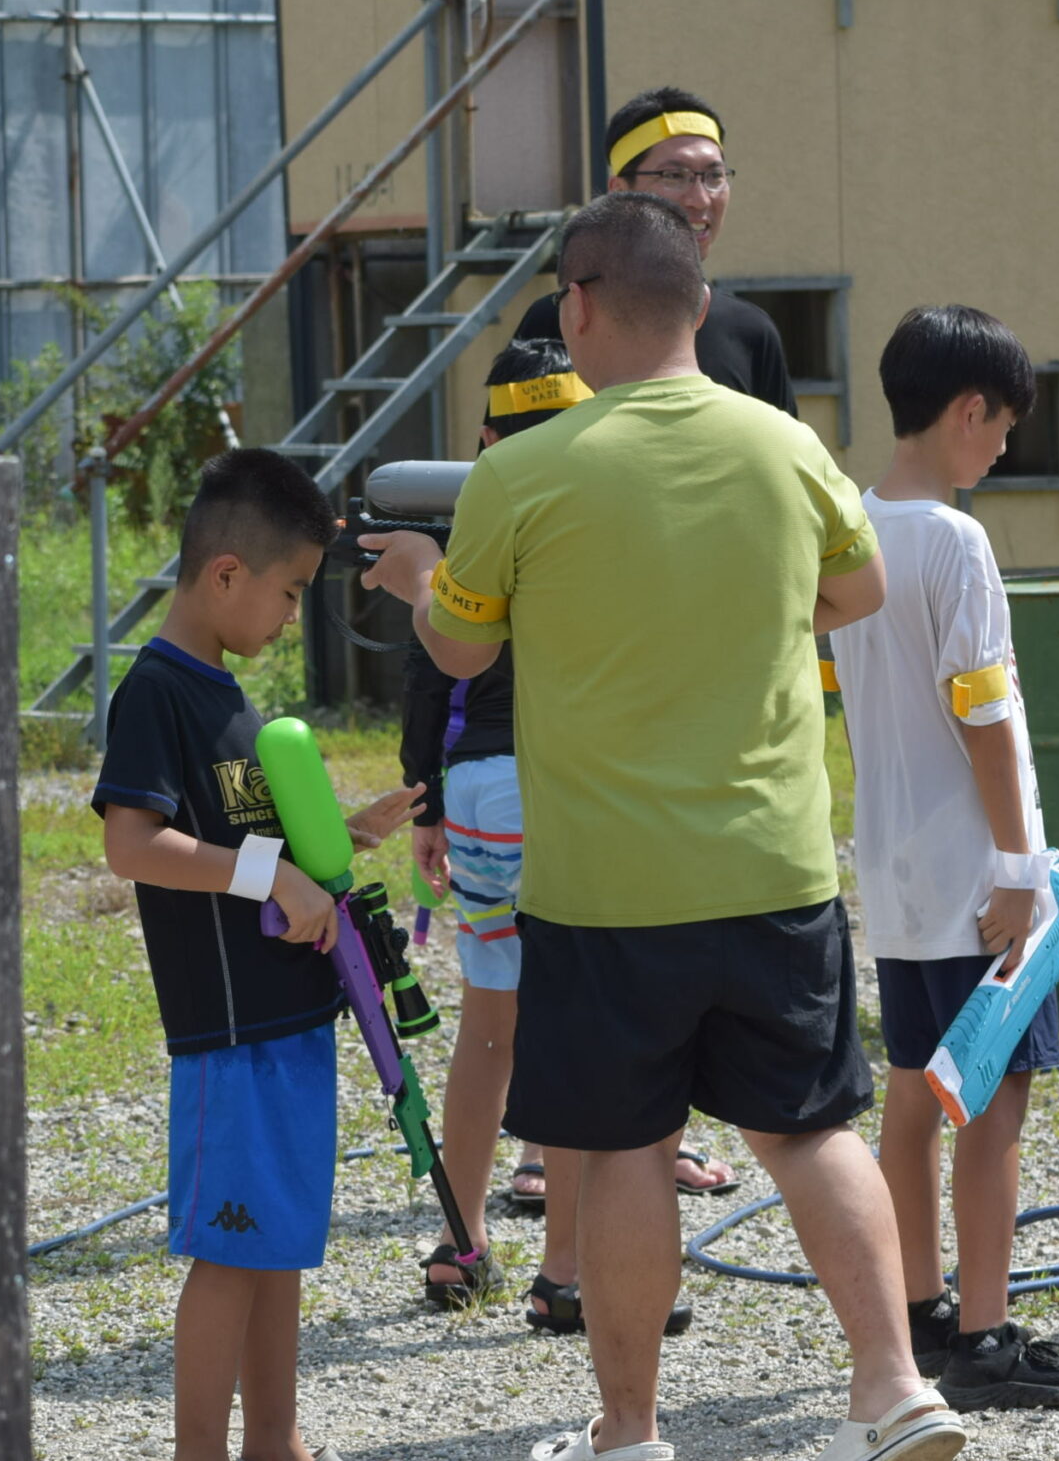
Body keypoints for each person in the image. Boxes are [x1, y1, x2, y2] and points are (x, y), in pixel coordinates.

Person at [364, 193, 965, 1461]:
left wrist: (419, 579)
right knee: (808, 1130)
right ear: (697, 303)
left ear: (577, 305)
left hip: (605, 886)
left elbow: (460, 647)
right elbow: (856, 588)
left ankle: (631, 1433)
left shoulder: (525, 470)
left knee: (625, 1146)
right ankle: (894, 1386)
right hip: (774, 864)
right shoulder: (785, 446)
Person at [93, 448, 425, 1461]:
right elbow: (132, 843)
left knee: (280, 1246)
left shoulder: (231, 699)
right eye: (289, 591)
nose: (291, 616)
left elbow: (253, 844)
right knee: (231, 1251)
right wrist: (267, 874)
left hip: (290, 1018)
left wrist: (339, 838)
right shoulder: (158, 693)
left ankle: (274, 1443)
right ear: (226, 572)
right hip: (230, 1035)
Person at [826, 306, 1059, 1411]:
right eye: (1003, 427)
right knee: (992, 1105)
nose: (1003, 448)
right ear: (967, 409)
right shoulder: (956, 542)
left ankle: (922, 1312)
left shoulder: (851, 527)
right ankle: (985, 1338)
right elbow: (984, 713)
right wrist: (1019, 866)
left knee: (913, 1093)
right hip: (977, 877)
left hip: (897, 867)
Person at [400, 336, 701, 1334]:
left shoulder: (475, 517)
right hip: (561, 784)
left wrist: (426, 803)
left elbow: (431, 669)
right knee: (575, 1025)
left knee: (490, 1024)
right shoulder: (601, 513)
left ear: (485, 439)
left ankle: (461, 1240)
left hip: (477, 788)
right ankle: (564, 1268)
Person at [513, 83, 796, 419]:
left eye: (715, 176)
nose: (700, 199)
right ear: (619, 191)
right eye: (674, 175)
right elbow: (507, 443)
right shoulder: (559, 318)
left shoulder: (749, 331)